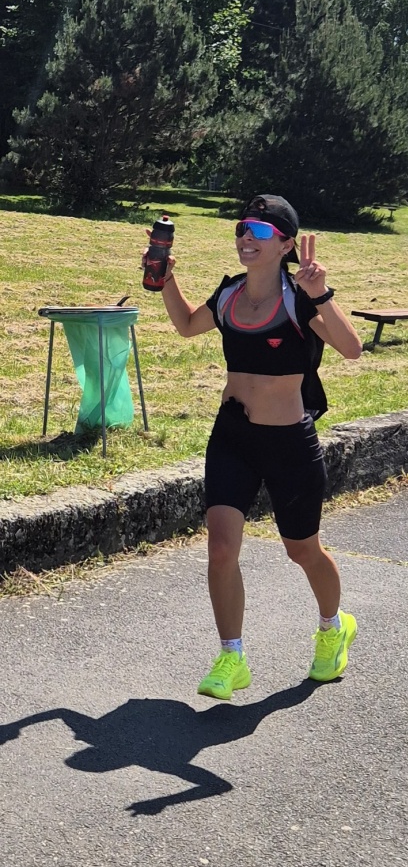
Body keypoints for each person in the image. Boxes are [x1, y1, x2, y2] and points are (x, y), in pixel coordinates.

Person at [147, 193, 363, 700]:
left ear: (286, 244)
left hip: (288, 443)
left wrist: (321, 294)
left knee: (302, 550)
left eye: (261, 231)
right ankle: (232, 656)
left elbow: (352, 349)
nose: (247, 237)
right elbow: (187, 325)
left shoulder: (299, 298)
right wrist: (165, 278)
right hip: (233, 437)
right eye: (242, 228)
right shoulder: (228, 295)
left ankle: (333, 627)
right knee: (221, 548)